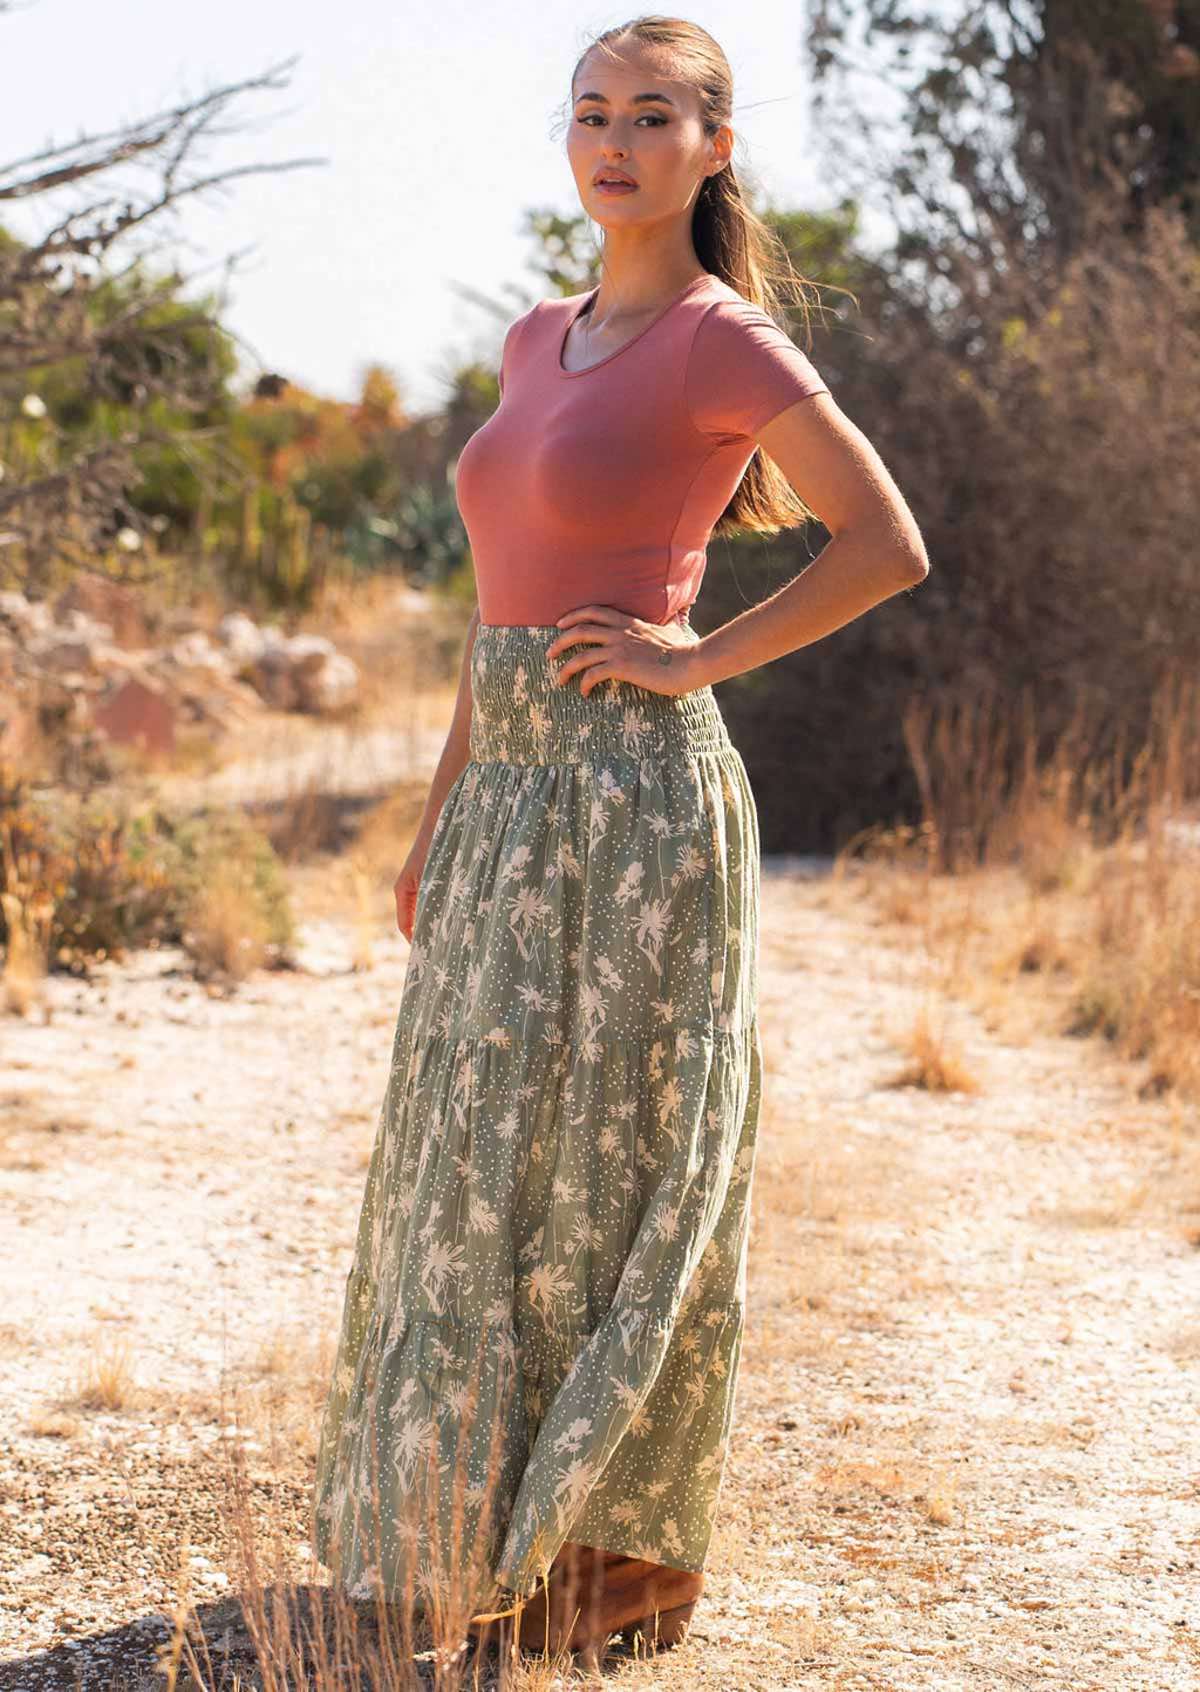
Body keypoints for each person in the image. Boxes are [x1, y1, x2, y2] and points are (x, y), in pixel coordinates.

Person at [310, 13, 929, 1665]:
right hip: (509, 790)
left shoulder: (727, 342)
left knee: (614, 1172)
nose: (615, 141)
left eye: (654, 116)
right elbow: (489, 610)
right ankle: (447, 1532)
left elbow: (887, 543)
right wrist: (439, 815)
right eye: (592, 112)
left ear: (713, 148)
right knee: (473, 1168)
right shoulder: (534, 337)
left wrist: (695, 655)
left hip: (639, 803)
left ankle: (621, 1554)